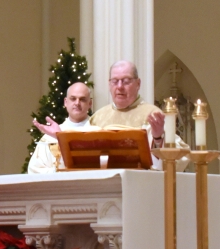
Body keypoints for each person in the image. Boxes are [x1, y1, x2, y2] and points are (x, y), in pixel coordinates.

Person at [33, 60, 187, 169]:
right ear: (109, 84)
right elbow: (82, 157)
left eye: (126, 81)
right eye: (115, 81)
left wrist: (159, 138)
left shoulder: (153, 115)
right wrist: (60, 136)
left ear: (138, 84)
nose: (119, 87)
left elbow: (180, 158)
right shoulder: (98, 117)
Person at [27, 82, 99, 174]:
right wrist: (58, 173)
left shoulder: (98, 133)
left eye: (82, 99)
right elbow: (34, 170)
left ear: (90, 103)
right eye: (73, 99)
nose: (77, 103)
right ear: (66, 102)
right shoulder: (49, 137)